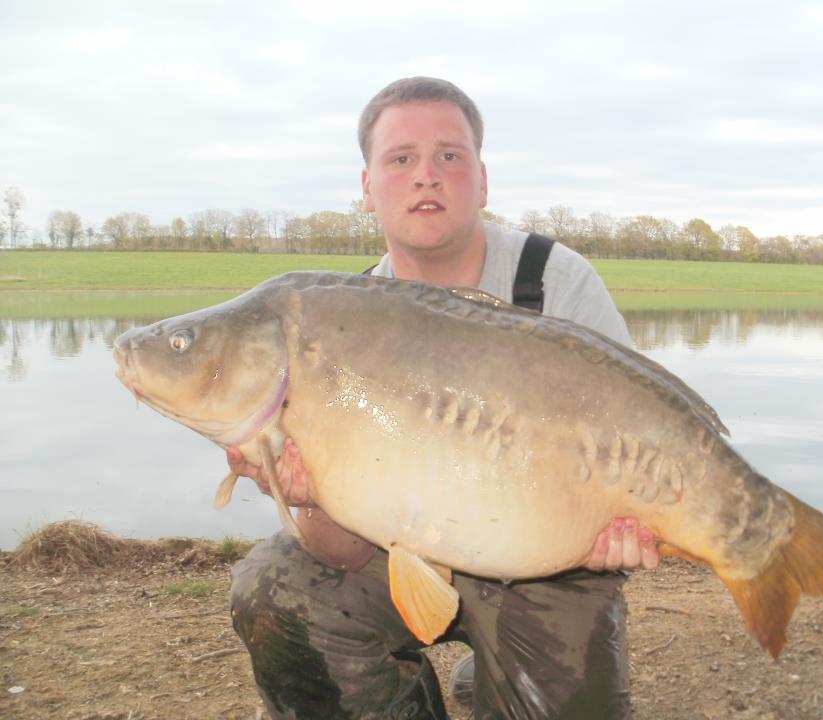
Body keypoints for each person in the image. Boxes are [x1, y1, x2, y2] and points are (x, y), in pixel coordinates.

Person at [228, 77, 660, 720]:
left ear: (482, 181)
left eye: (449, 157)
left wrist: (625, 529)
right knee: (274, 591)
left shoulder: (554, 281)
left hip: (550, 564)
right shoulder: (336, 325)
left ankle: (499, 661)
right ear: (368, 188)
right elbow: (345, 550)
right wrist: (306, 496)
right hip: (397, 559)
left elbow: (640, 444)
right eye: (400, 159)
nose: (426, 176)